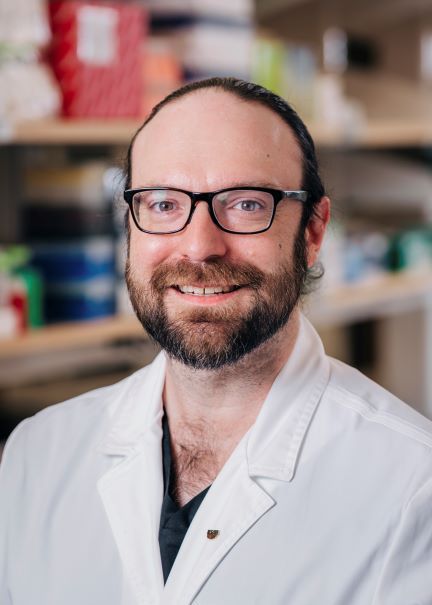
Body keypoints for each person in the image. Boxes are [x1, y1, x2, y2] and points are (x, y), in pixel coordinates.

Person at [1, 77, 432, 605]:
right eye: (163, 204)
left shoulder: (412, 487)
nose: (199, 246)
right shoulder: (35, 456)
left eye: (246, 204)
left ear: (313, 232)